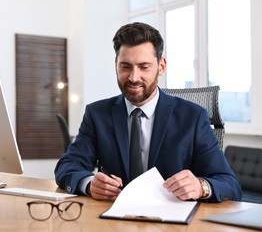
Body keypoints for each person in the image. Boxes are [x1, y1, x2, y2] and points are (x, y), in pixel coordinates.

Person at [54, 22, 242, 202]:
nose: (134, 77)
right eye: (125, 66)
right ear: (115, 64)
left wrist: (201, 187)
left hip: (172, 222)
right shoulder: (97, 114)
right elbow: (67, 166)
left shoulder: (193, 117)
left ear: (161, 66)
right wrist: (88, 184)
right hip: (113, 218)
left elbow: (229, 184)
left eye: (144, 67)